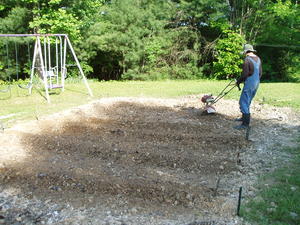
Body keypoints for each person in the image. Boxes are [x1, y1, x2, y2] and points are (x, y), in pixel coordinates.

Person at [234, 44, 262, 129]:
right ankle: (243, 117)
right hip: (256, 83)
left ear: (246, 52)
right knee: (248, 100)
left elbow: (245, 74)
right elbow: (260, 73)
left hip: (250, 83)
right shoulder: (258, 59)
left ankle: (245, 124)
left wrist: (238, 82)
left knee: (243, 102)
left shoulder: (247, 60)